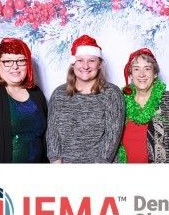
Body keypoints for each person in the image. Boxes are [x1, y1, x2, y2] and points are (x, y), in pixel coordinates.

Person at [46, 35, 125, 164]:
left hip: (99, 169)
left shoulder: (111, 93)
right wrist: (56, 162)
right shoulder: (59, 94)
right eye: (80, 60)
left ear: (99, 64)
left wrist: (98, 166)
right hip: (64, 169)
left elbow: (112, 135)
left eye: (92, 60)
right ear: (73, 63)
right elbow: (52, 133)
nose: (85, 66)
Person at [118, 48, 169, 163]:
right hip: (124, 176)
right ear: (130, 74)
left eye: (147, 68)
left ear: (155, 73)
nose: (141, 74)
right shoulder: (119, 100)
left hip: (163, 177)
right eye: (136, 69)